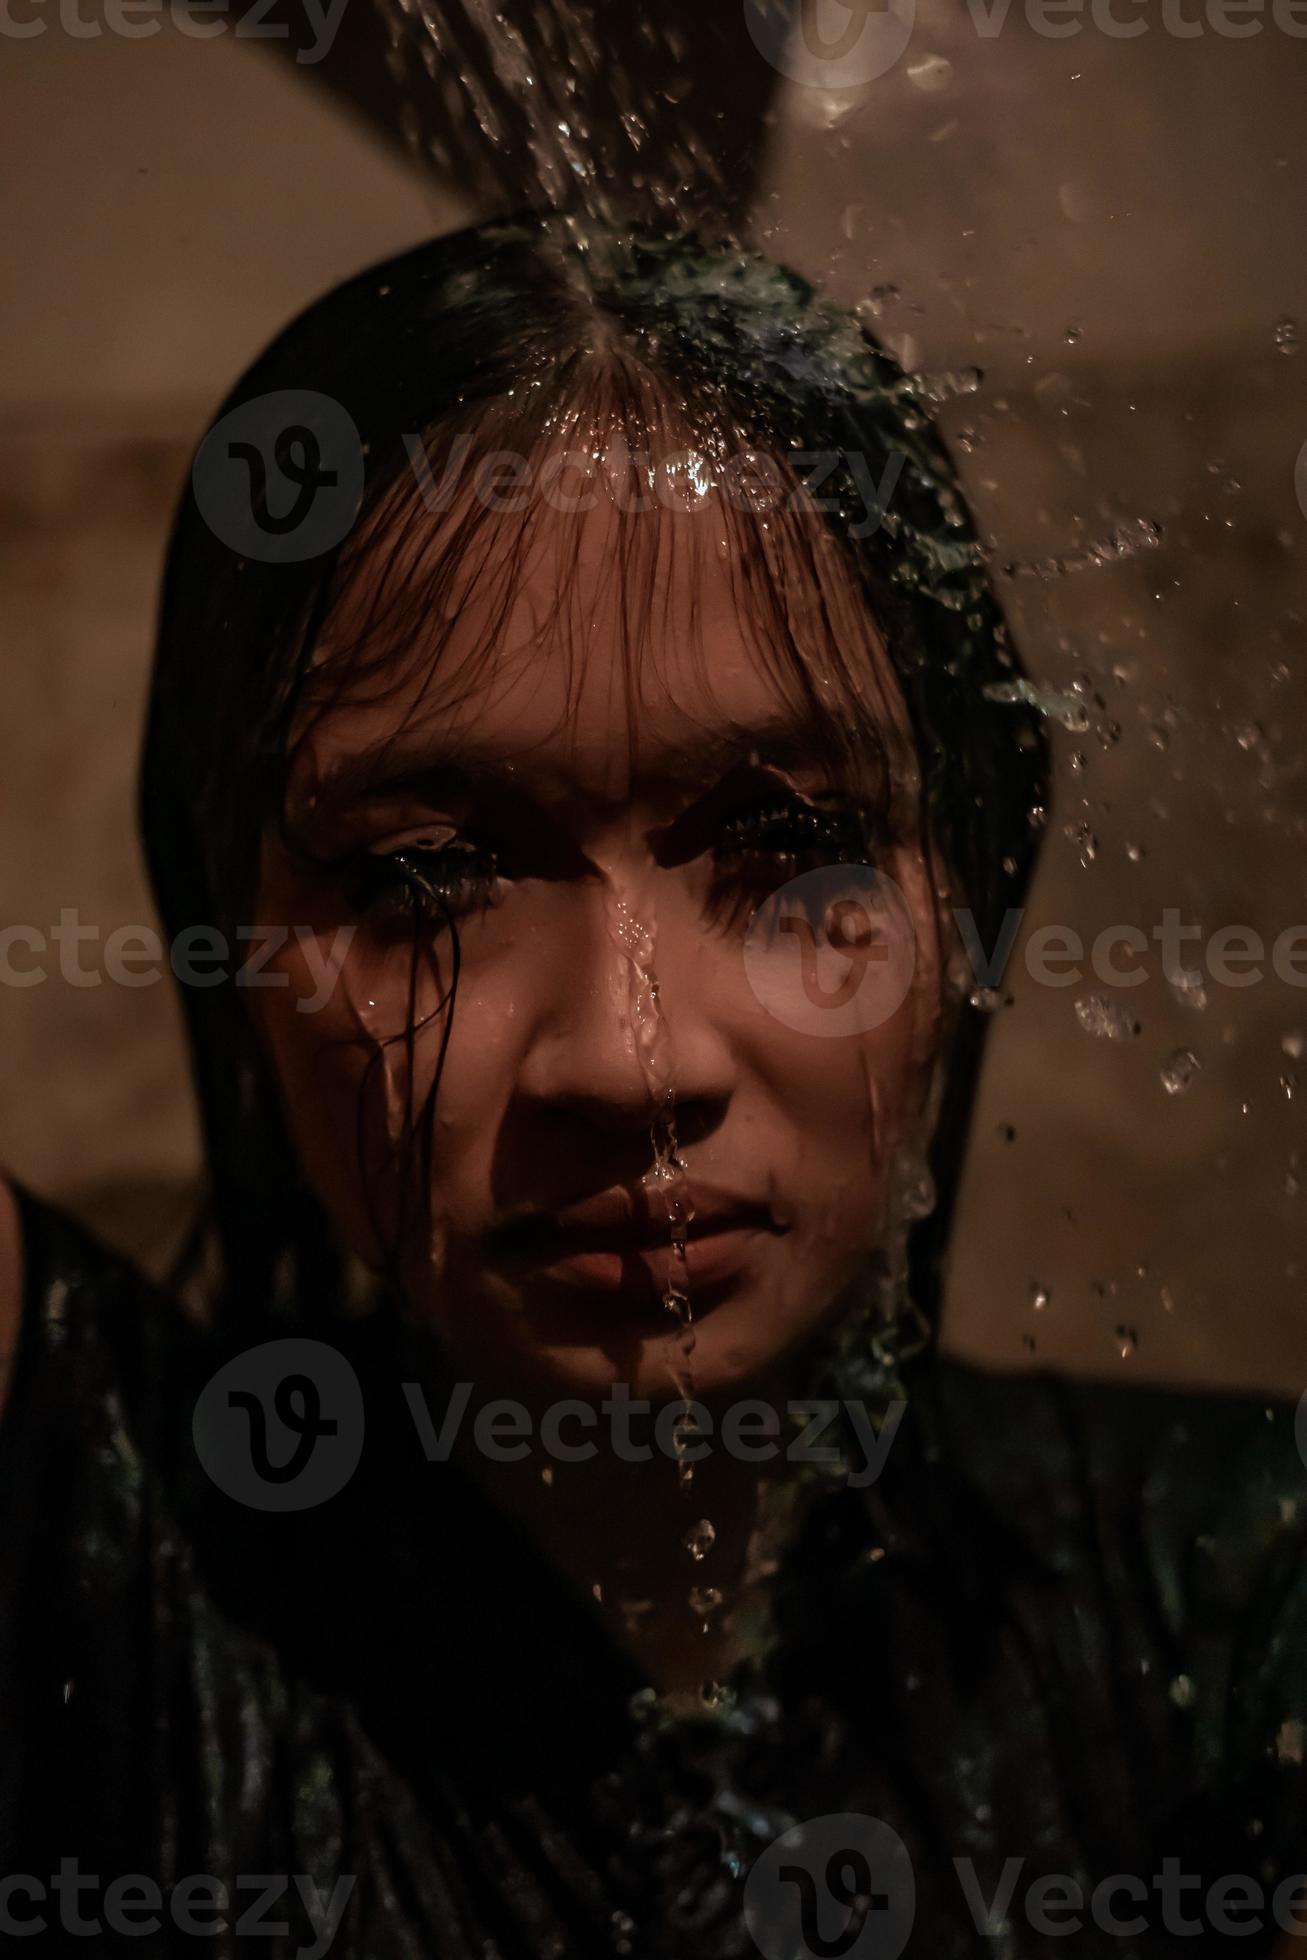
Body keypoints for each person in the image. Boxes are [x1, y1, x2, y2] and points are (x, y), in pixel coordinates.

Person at [1, 215, 1304, 1958]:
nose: (631, 1059)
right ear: (231, 934)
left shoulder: (1242, 1583)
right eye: (419, 876)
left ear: (972, 888)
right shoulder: (102, 1580)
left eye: (792, 845)